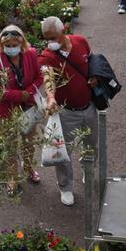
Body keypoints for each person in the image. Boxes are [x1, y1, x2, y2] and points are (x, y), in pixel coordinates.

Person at [39, 16, 99, 207]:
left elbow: (92, 62)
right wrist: (51, 97)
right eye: (47, 39)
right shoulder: (47, 56)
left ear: (63, 30)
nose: (50, 43)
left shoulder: (81, 41)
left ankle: (87, 169)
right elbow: (47, 77)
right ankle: (65, 187)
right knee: (63, 151)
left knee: (91, 144)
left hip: (89, 107)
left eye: (53, 38)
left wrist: (95, 76)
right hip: (66, 112)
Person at [0, 25, 44, 189]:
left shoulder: (31, 54)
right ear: (1, 45)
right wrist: (20, 95)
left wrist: (28, 92)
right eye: (8, 46)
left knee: (28, 141)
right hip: (6, 109)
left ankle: (28, 169)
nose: (11, 49)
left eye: (14, 45)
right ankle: (12, 177)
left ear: (21, 43)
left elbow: (39, 77)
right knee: (10, 144)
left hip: (28, 107)